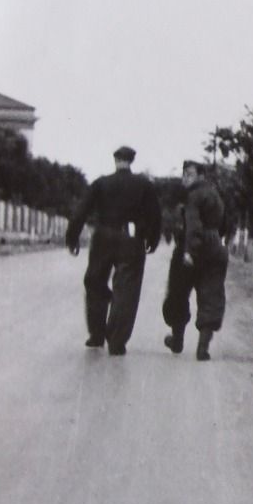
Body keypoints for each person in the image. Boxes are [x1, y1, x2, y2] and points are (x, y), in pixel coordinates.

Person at [66, 146, 161, 355]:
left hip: (103, 237)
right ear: (132, 161)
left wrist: (72, 237)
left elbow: (81, 211)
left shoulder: (101, 183)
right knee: (126, 289)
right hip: (131, 239)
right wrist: (153, 239)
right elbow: (155, 214)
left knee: (95, 282)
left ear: (115, 160)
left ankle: (96, 335)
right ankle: (117, 341)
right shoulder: (144, 185)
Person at [162, 160, 228, 361]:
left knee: (178, 293)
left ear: (201, 176)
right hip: (215, 248)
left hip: (191, 249)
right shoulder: (216, 194)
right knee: (211, 295)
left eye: (189, 174)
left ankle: (177, 340)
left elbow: (193, 225)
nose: (185, 178)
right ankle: (202, 348)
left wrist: (190, 251)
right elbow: (225, 223)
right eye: (184, 174)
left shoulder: (192, 196)